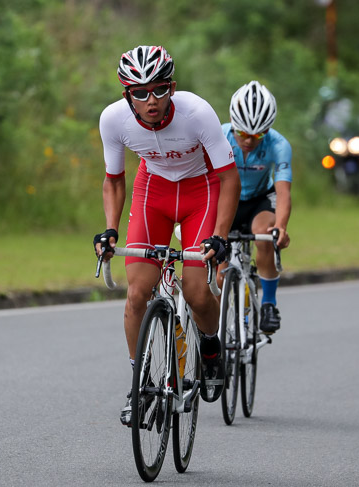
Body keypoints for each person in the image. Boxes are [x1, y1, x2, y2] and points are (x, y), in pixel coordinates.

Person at [94, 45, 241, 426]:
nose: (150, 100)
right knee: (137, 292)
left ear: (172, 87)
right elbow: (113, 181)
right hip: (152, 193)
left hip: (201, 191)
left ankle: (210, 347)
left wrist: (220, 236)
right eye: (139, 93)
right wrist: (111, 229)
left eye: (158, 89)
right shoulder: (113, 120)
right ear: (127, 94)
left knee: (195, 290)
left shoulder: (196, 112)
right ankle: (140, 384)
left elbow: (228, 177)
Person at [221, 80, 292, 334]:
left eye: (258, 135)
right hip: (225, 199)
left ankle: (269, 303)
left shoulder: (279, 145)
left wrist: (281, 228)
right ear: (233, 123)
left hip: (260, 200)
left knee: (265, 235)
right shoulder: (218, 136)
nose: (249, 140)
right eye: (243, 133)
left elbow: (283, 191)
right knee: (218, 272)